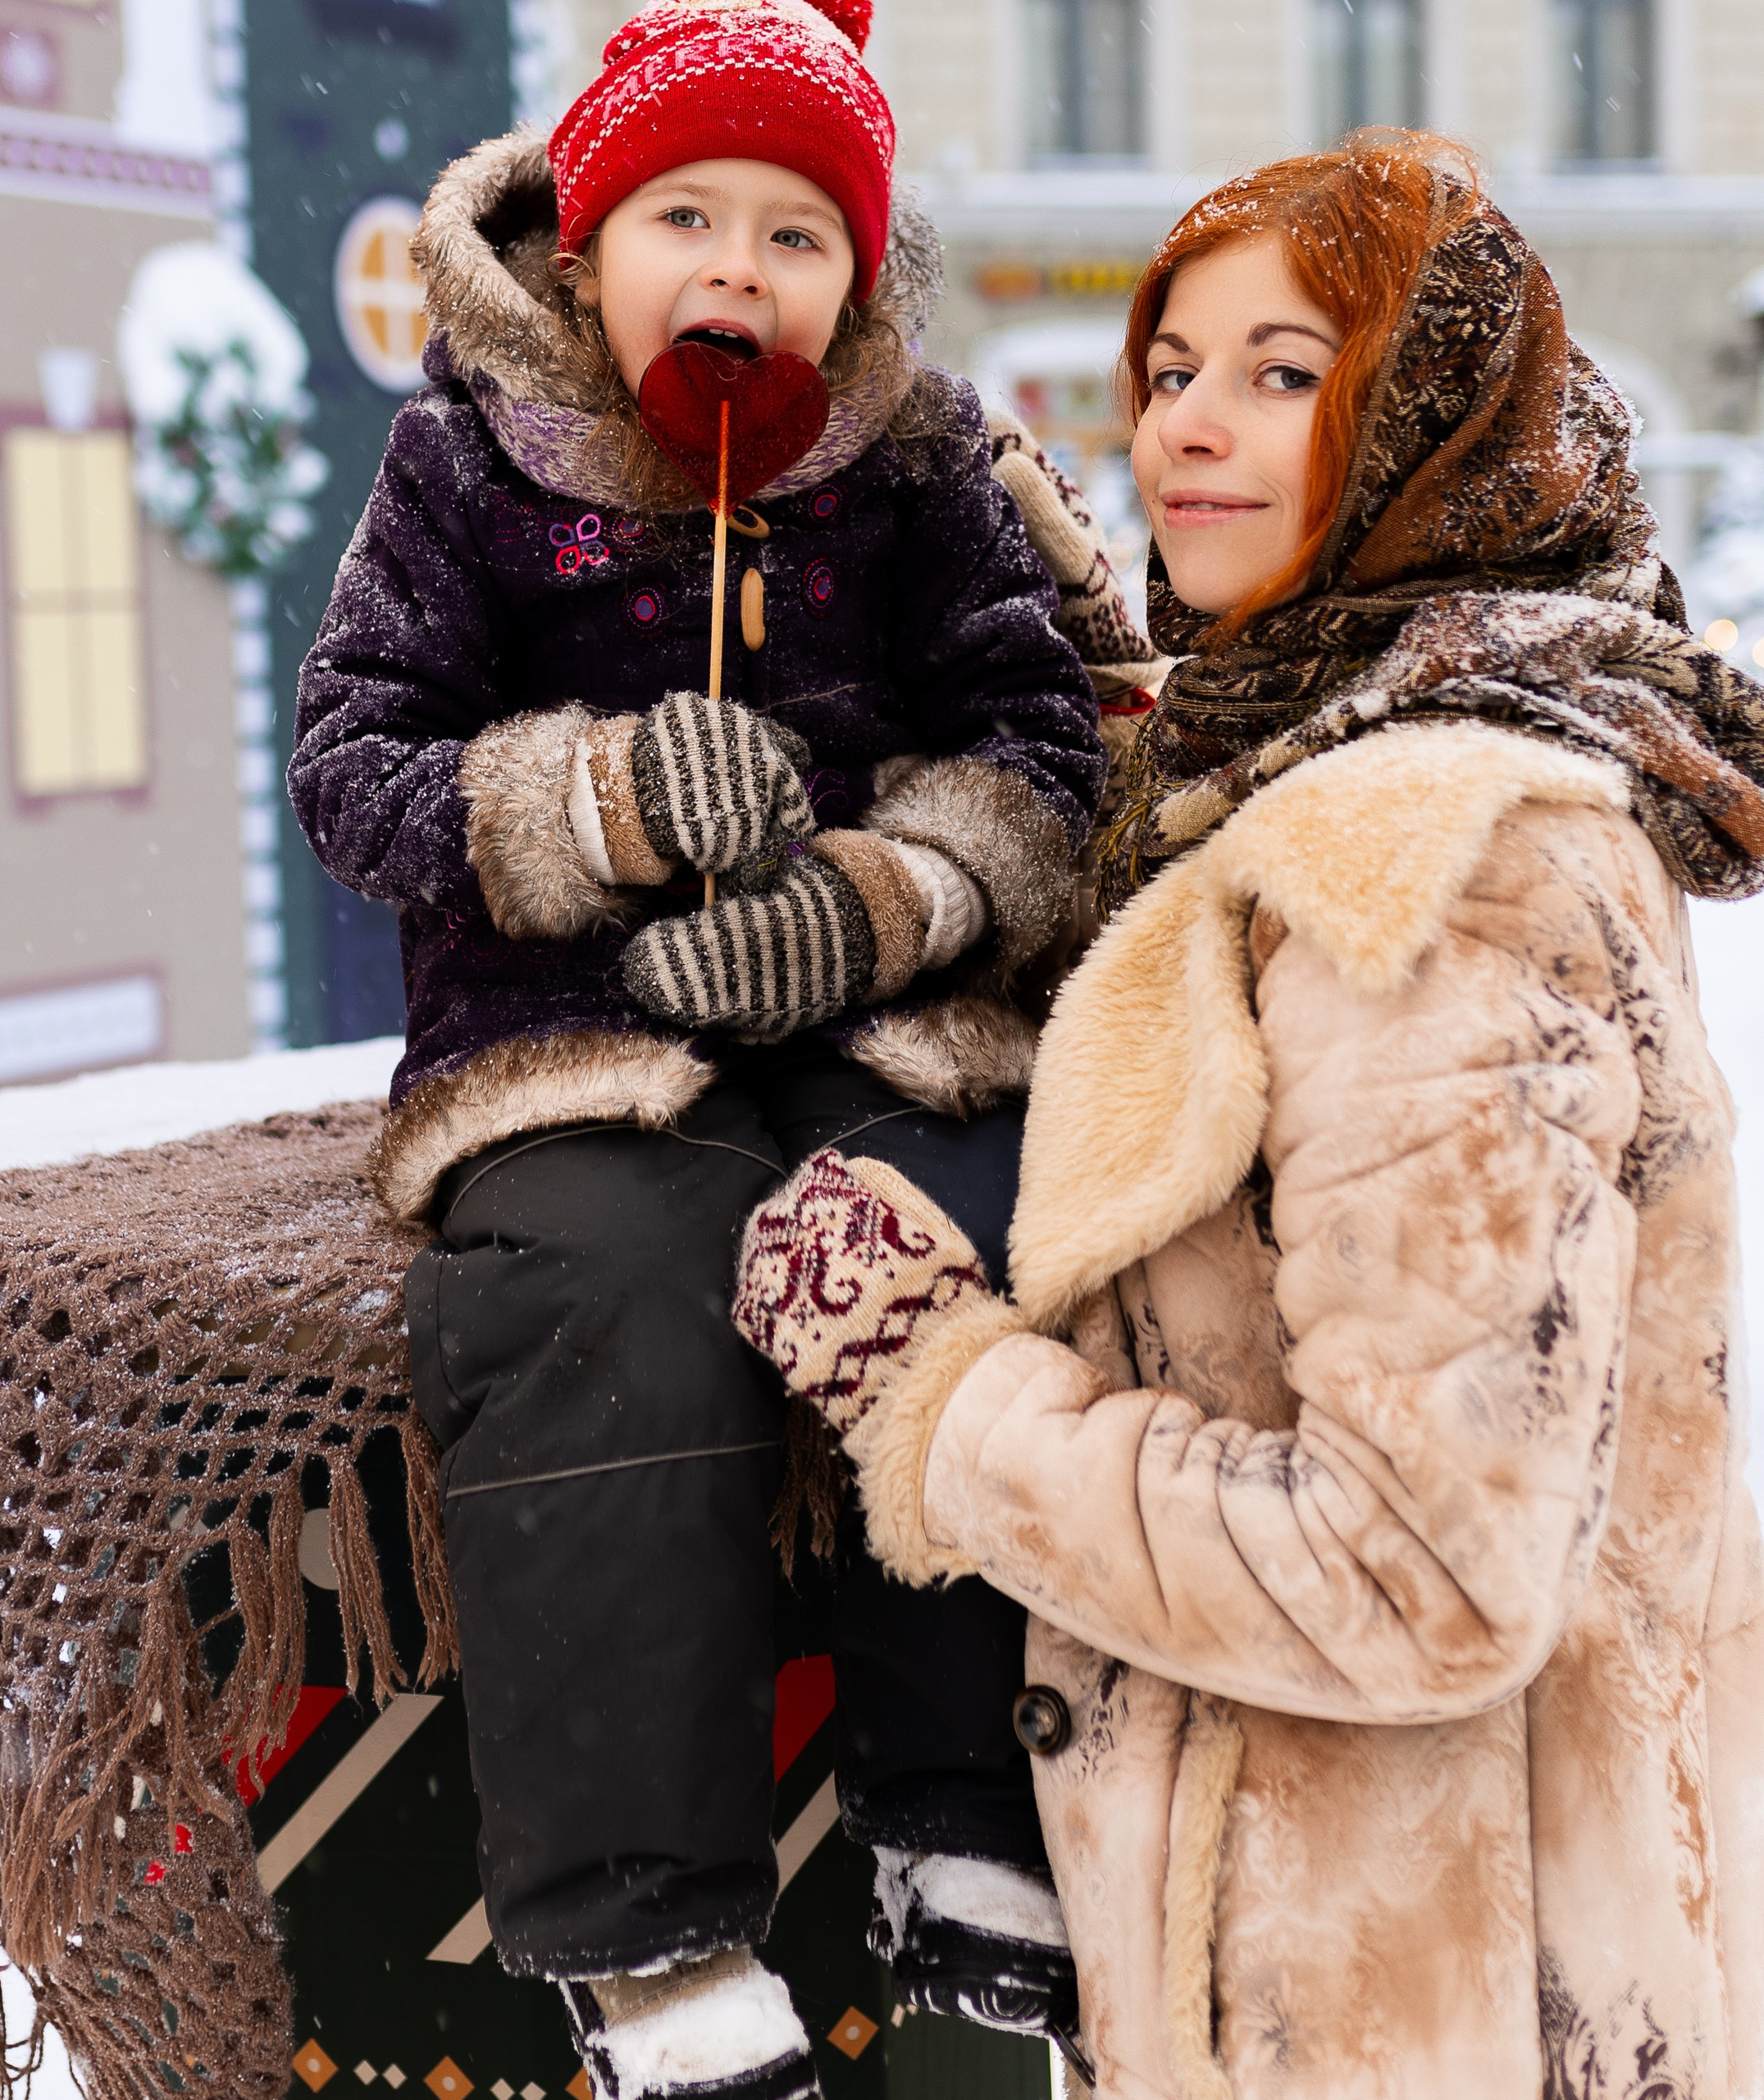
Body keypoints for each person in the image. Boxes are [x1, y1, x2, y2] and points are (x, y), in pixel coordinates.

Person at [732, 132, 1764, 2099]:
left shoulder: (1428, 872)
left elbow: (1420, 1573)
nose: (1186, 428)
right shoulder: (1361, 747)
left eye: (1284, 375)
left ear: (1429, 438)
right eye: (1172, 367)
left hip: (1404, 2008)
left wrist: (935, 1399)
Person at [286, 2, 1161, 2091]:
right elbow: (350, 767)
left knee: (958, 1250)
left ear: (857, 280)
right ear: (587, 251)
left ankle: (959, 1800)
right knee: (617, 1300)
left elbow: (1041, 747)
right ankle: (644, 1922)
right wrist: (582, 809)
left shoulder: (922, 462)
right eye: (686, 214)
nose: (738, 269)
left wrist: (890, 896)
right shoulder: (466, 464)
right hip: (566, 1049)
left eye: (796, 231)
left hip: (884, 1031)